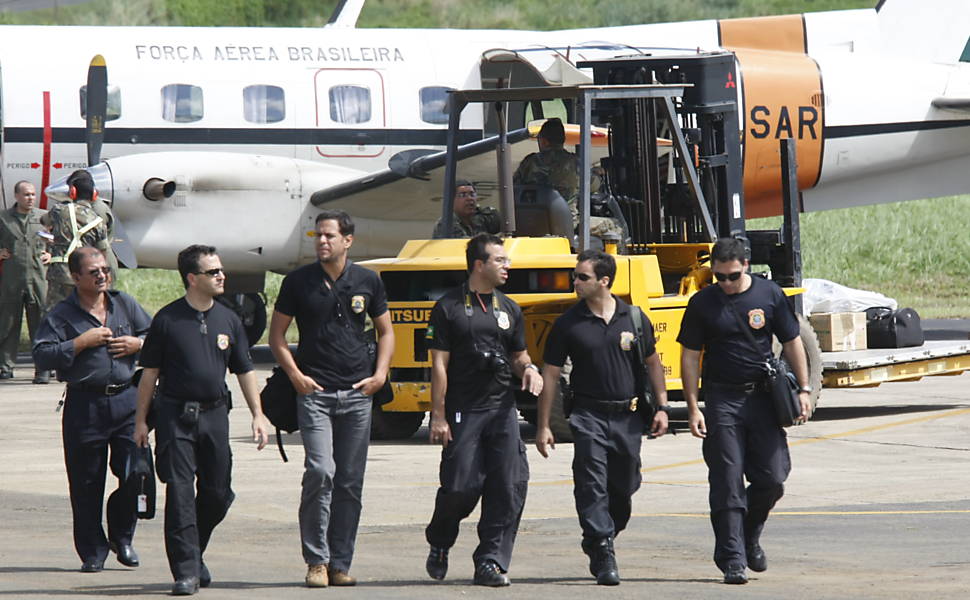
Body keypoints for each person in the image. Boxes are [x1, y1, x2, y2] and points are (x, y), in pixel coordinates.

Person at [133, 244, 270, 596]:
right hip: (176, 416)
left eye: (221, 270)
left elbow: (244, 369)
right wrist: (140, 422)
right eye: (213, 272)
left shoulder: (229, 319)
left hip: (214, 416)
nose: (222, 276)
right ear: (192, 279)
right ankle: (186, 571)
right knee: (179, 493)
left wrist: (258, 414)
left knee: (218, 493)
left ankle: (194, 551)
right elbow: (149, 375)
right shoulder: (167, 319)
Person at [269, 209, 394, 589]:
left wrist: (380, 374)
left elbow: (386, 332)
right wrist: (295, 376)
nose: (322, 241)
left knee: (350, 481)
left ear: (347, 241)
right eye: (317, 236)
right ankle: (316, 560)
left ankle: (340, 562)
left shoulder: (368, 280)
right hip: (316, 393)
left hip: (358, 394)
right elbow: (276, 336)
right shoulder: (298, 282)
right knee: (321, 472)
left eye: (329, 236)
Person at [677, 237, 812, 585]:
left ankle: (750, 532)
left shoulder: (769, 295)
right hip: (723, 400)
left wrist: (805, 389)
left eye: (731, 276)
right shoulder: (703, 303)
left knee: (772, 478)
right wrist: (693, 406)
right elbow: (690, 356)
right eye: (718, 276)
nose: (725, 283)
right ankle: (732, 558)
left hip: (764, 399)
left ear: (746, 266)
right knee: (727, 480)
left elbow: (792, 341)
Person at [535, 249, 669, 585]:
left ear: (604, 281)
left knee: (624, 487)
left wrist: (664, 407)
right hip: (587, 415)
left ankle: (602, 533)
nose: (575, 283)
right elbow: (550, 374)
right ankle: (603, 546)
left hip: (628, 417)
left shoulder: (634, 318)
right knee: (591, 482)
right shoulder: (568, 323)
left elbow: (652, 362)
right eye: (575, 276)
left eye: (582, 277)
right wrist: (543, 425)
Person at [423, 232, 543, 587]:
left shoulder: (509, 308)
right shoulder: (449, 308)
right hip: (464, 409)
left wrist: (530, 371)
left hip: (501, 408)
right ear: (480, 264)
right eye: (500, 260)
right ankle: (440, 540)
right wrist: (439, 416)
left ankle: (490, 561)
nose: (508, 266)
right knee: (461, 486)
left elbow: (519, 356)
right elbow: (439, 366)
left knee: (509, 485)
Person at [31, 247, 151, 573]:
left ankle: (122, 536)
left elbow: (155, 334)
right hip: (86, 405)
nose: (102, 276)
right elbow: (42, 355)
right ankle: (92, 550)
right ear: (75, 277)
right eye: (94, 272)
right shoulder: (61, 315)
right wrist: (81, 343)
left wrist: (137, 344)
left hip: (127, 401)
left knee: (136, 474)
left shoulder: (123, 303)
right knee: (86, 483)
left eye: (104, 270)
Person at [513, 118, 623, 239]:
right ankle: (611, 257)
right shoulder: (574, 163)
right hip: (567, 223)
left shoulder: (529, 162)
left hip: (531, 221)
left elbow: (515, 187)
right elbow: (593, 186)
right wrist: (596, 174)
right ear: (563, 140)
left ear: (544, 141)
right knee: (615, 225)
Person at [0, 181, 51, 382]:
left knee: (40, 324)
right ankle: (5, 365)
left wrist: (51, 253)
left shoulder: (43, 217)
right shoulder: (4, 218)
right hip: (12, 280)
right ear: (17, 196)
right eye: (26, 194)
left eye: (32, 194)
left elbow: (59, 240)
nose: (30, 198)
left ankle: (43, 367)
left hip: (38, 279)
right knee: (8, 323)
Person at [42, 170, 109, 311]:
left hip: (60, 275)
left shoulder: (59, 211)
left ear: (72, 192)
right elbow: (103, 252)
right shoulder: (99, 222)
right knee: (84, 313)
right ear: (94, 194)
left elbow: (44, 220)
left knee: (56, 315)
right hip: (86, 276)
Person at [431, 179, 500, 239]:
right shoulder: (445, 224)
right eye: (463, 195)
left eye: (472, 194)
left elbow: (505, 224)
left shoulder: (481, 217)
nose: (469, 198)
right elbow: (467, 246)